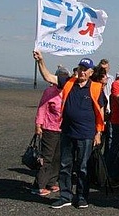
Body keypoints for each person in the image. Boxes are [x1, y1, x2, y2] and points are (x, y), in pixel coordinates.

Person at [32, 51, 106, 209]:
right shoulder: (68, 82)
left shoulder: (96, 88)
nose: (82, 71)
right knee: (65, 166)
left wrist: (98, 133)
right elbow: (49, 77)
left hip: (86, 134)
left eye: (85, 69)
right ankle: (65, 195)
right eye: (80, 68)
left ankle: (81, 197)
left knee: (83, 166)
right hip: (67, 132)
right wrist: (40, 61)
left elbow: (100, 111)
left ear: (91, 72)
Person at [31, 65, 65, 196]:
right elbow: (42, 108)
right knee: (47, 158)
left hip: (63, 129)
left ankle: (51, 182)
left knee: (58, 157)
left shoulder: (67, 92)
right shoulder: (49, 92)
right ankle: (39, 185)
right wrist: (38, 125)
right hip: (49, 128)